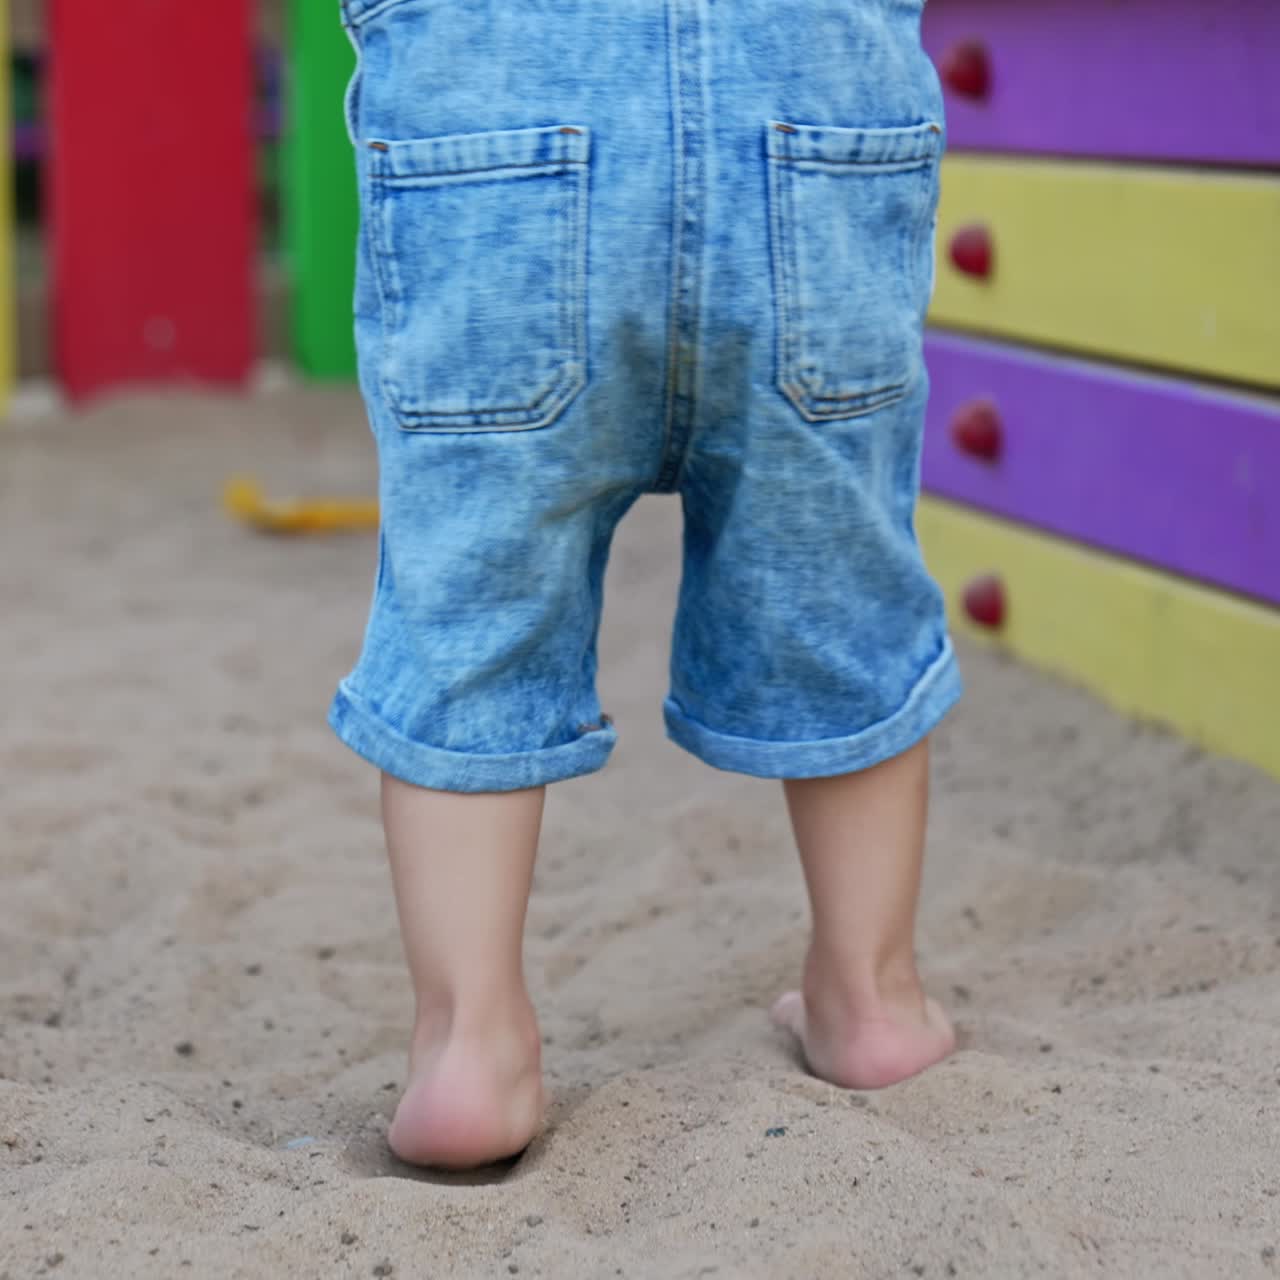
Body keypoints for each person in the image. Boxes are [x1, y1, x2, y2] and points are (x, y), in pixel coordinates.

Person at [330, 0, 960, 1170]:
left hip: (495, 136)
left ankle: (469, 1047)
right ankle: (871, 998)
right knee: (839, 580)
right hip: (808, 119)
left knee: (473, 609)